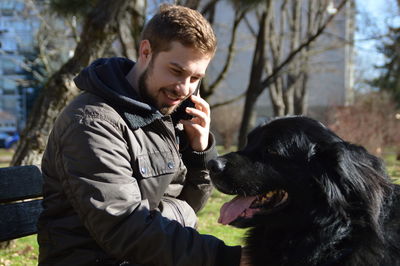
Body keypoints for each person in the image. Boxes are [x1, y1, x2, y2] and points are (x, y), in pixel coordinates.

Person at [37, 4, 242, 266]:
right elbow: (124, 226)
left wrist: (199, 152)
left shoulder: (162, 113)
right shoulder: (92, 122)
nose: (184, 88)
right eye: (176, 71)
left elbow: (190, 205)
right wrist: (226, 257)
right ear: (146, 52)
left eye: (195, 78)